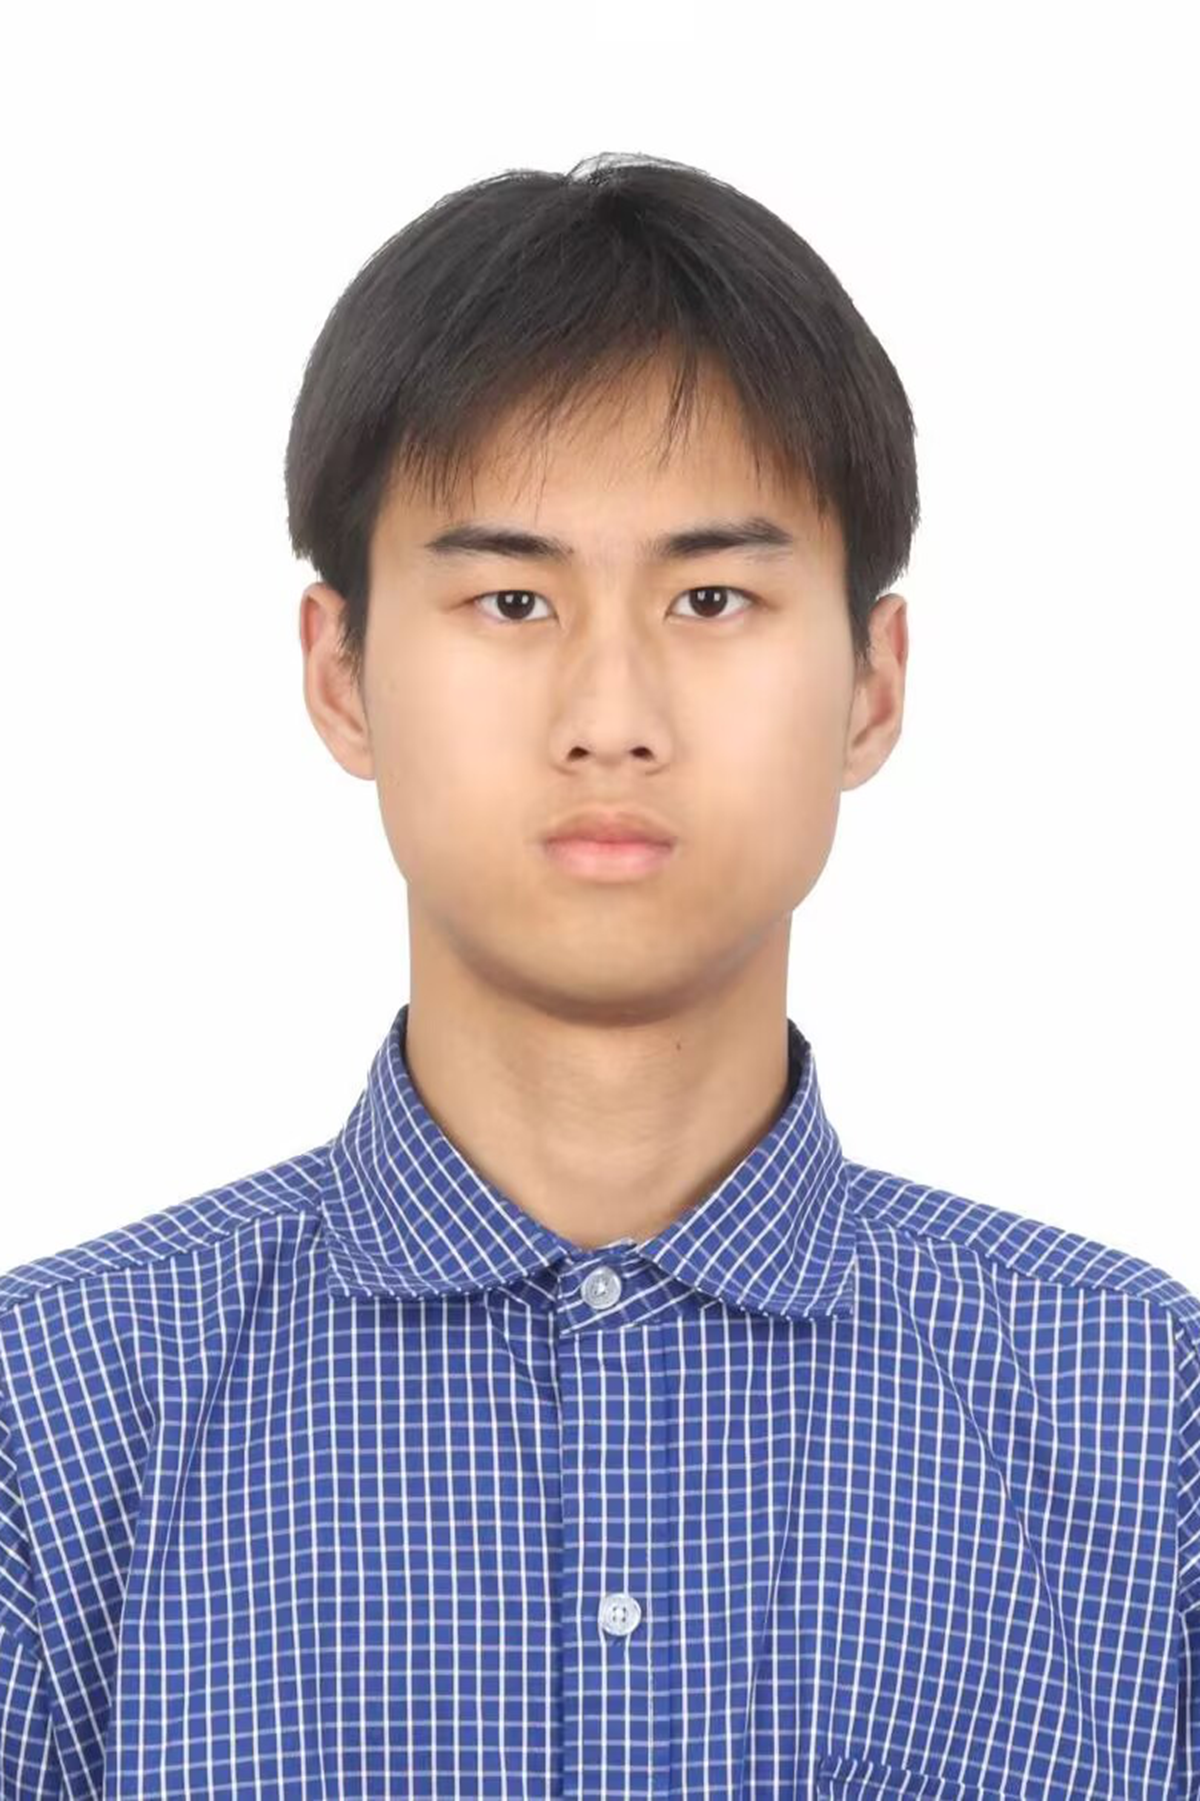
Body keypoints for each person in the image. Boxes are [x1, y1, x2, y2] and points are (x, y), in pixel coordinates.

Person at [1, 152, 1195, 1799]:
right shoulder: (51, 1423)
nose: (611, 715)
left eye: (712, 597)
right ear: (342, 675)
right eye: (511, 599)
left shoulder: (1143, 1420)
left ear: (872, 683)